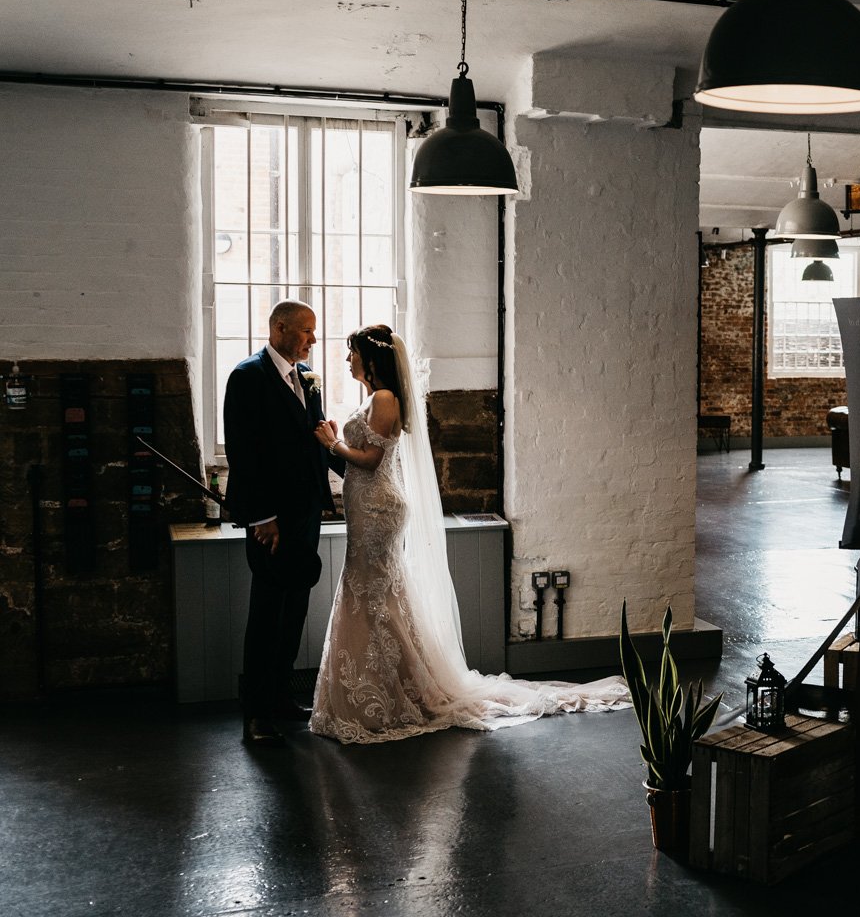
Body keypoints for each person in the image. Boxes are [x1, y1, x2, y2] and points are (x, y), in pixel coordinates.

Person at [309, 324, 628, 744]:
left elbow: (370, 459)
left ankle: (388, 692)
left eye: (352, 353)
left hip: (377, 509)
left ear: (371, 358)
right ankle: (380, 684)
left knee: (373, 591)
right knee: (377, 594)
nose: (347, 359)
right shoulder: (373, 398)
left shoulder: (384, 397)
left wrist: (333, 443)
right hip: (367, 507)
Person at [224, 299, 343, 746]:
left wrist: (344, 475)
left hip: (306, 513)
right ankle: (255, 714)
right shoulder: (247, 377)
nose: (313, 340)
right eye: (306, 332)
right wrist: (263, 517)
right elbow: (243, 451)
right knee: (266, 613)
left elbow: (314, 439)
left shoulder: (306, 380)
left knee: (293, 610)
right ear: (279, 329)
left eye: (313, 332)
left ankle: (279, 696)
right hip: (270, 519)